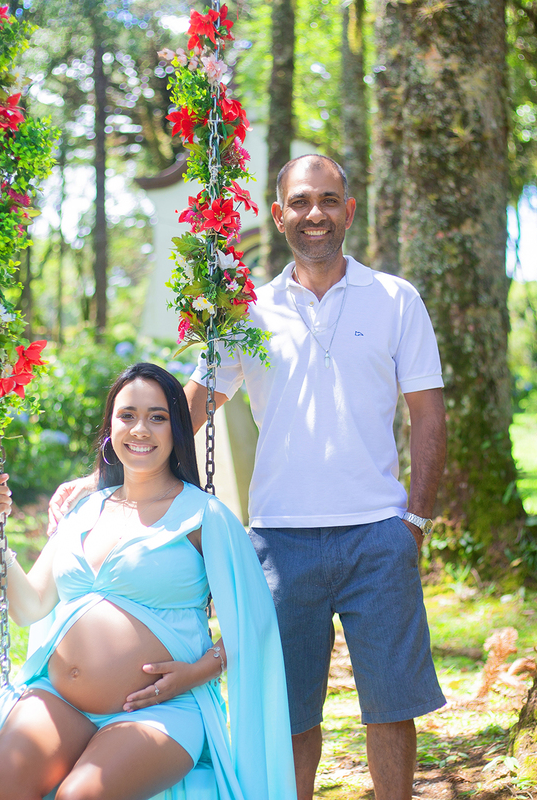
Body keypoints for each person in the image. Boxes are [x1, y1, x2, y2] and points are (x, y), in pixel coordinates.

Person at [183, 154, 448, 800]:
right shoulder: (247, 312)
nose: (316, 215)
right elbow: (190, 404)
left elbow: (429, 415)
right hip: (279, 540)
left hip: (378, 536)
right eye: (301, 202)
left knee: (390, 706)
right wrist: (111, 469)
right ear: (279, 217)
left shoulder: (396, 300)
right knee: (292, 713)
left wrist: (413, 521)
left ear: (349, 211)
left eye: (329, 200)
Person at [0, 362, 296, 800]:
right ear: (110, 428)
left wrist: (194, 673)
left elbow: (254, 623)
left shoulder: (204, 517)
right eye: (127, 416)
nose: (140, 429)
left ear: (177, 429)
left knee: (81, 796)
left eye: (157, 417)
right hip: (61, 699)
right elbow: (29, 607)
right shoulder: (85, 510)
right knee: (2, 780)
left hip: (160, 709)